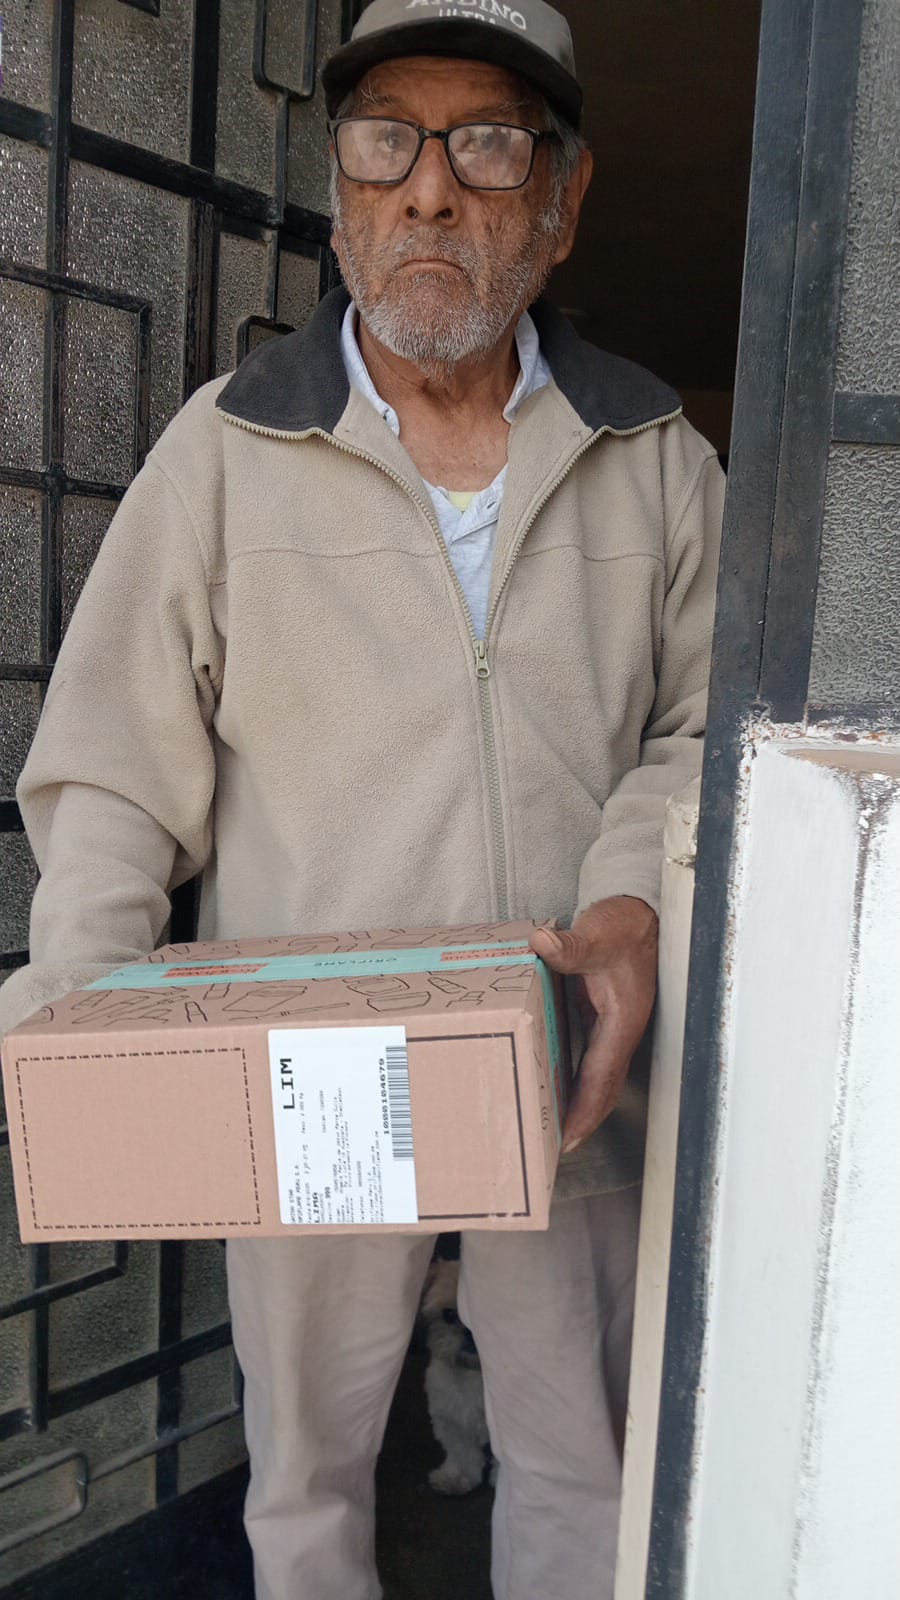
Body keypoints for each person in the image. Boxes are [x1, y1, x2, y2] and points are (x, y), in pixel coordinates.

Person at [0, 1, 724, 1595]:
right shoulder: (227, 450)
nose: (432, 190)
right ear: (341, 192)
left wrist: (630, 901)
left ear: (562, 200)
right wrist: (85, 1012)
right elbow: (114, 764)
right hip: (311, 1071)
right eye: (388, 142)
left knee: (586, 1468)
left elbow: (701, 730)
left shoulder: (657, 454)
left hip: (579, 1057)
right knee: (308, 1480)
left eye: (488, 146)